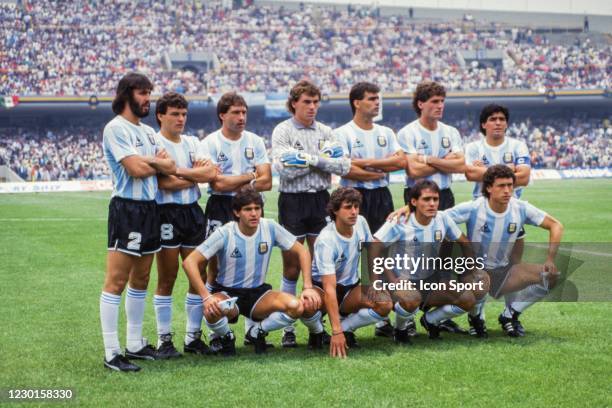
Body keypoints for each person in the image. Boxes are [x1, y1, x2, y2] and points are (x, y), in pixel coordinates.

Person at [272, 80, 381, 347]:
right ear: (294, 103)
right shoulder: (282, 130)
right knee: (292, 265)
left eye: (316, 101)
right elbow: (283, 169)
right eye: (307, 102)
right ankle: (289, 327)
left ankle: (317, 326)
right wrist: (321, 161)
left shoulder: (325, 131)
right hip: (292, 200)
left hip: (320, 199)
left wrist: (308, 159)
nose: (312, 107)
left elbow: (343, 165)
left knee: (320, 265)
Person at [182, 186, 322, 355]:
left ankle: (257, 332)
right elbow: (189, 262)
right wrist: (206, 296)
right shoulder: (225, 233)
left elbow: (302, 251)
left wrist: (307, 286)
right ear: (236, 212)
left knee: (296, 306)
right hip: (228, 293)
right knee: (212, 310)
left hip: (258, 294)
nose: (254, 213)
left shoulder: (269, 227)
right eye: (248, 209)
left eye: (257, 208)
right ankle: (227, 336)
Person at [100, 72, 177, 372]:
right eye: (143, 93)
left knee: (141, 279)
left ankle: (134, 343)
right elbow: (134, 169)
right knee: (116, 281)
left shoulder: (147, 132)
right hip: (127, 209)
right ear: (127, 94)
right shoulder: (115, 128)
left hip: (150, 208)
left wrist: (155, 163)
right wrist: (155, 163)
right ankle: (111, 352)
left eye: (149, 93)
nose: (148, 99)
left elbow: (167, 166)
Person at [445, 165, 564, 337]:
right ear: (488, 188)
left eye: (510, 185)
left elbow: (556, 225)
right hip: (474, 272)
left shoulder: (521, 208)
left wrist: (550, 259)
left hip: (503, 271)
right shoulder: (474, 208)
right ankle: (476, 318)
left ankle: (510, 315)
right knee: (479, 281)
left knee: (551, 276)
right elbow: (438, 218)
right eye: (501, 186)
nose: (507, 190)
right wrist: (461, 239)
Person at [199, 92, 272, 350]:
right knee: (213, 266)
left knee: (256, 260)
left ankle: (253, 327)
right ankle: (215, 331)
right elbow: (216, 182)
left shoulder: (255, 141)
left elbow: (268, 181)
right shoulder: (210, 142)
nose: (241, 117)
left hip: (251, 204)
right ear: (222, 115)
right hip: (220, 205)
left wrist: (238, 179)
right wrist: (252, 175)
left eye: (244, 113)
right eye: (236, 113)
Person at [373, 180, 487, 342]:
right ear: (413, 202)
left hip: (430, 282)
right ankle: (400, 330)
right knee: (411, 297)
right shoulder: (399, 221)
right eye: (426, 199)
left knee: (468, 298)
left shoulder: (442, 219)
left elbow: (464, 242)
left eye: (435, 199)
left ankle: (430, 320)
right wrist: (390, 279)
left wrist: (472, 270)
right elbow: (374, 247)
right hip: (401, 282)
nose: (432, 203)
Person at [334, 82, 406, 338]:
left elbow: (400, 161)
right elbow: (345, 168)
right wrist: (377, 171)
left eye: (378, 98)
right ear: (356, 102)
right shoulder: (342, 133)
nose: (377, 102)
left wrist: (366, 163)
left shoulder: (385, 132)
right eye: (372, 98)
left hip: (382, 197)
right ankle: (348, 314)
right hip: (354, 197)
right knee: (356, 254)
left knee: (381, 252)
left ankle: (381, 318)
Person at [396, 80, 466, 334]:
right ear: (420, 104)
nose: (439, 106)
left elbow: (461, 165)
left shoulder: (450, 132)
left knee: (445, 254)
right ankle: (410, 311)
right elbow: (414, 170)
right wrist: (444, 161)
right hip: (418, 196)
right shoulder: (408, 133)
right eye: (434, 101)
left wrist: (428, 159)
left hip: (445, 196)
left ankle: (437, 314)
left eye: (442, 101)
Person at [153, 92, 218, 358]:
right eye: (175, 114)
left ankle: (193, 337)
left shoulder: (193, 142)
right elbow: (162, 183)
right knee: (167, 277)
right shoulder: (154, 142)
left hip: (193, 212)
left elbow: (210, 173)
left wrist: (178, 171)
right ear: (161, 115)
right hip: (166, 213)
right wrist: (194, 176)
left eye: (184, 114)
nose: (181, 119)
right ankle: (164, 340)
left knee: (197, 275)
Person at [312, 187, 393, 358]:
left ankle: (346, 328)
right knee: (306, 306)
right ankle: (317, 331)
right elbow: (329, 288)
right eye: (348, 207)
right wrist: (335, 332)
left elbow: (371, 250)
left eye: (356, 206)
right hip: (322, 289)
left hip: (350, 287)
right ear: (335, 210)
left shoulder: (361, 222)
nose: (354, 212)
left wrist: (373, 281)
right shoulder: (326, 240)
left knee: (384, 302)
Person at [464, 104, 531, 200]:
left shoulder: (518, 146)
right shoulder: (473, 147)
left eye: (502, 119)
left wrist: (485, 171)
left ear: (506, 124)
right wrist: (508, 170)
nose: (498, 123)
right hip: (481, 205)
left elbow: (524, 178)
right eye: (493, 119)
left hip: (511, 204)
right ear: (483, 124)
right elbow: (470, 174)